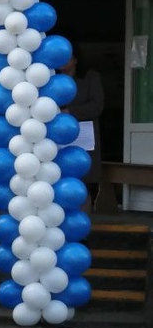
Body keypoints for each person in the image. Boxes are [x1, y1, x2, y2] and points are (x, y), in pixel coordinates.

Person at [60, 45, 105, 209]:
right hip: (59, 135)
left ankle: (82, 219)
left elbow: (97, 106)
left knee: (82, 180)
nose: (62, 61)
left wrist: (70, 112)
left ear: (76, 60)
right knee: (59, 178)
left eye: (67, 56)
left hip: (83, 136)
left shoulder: (90, 78)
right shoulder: (51, 79)